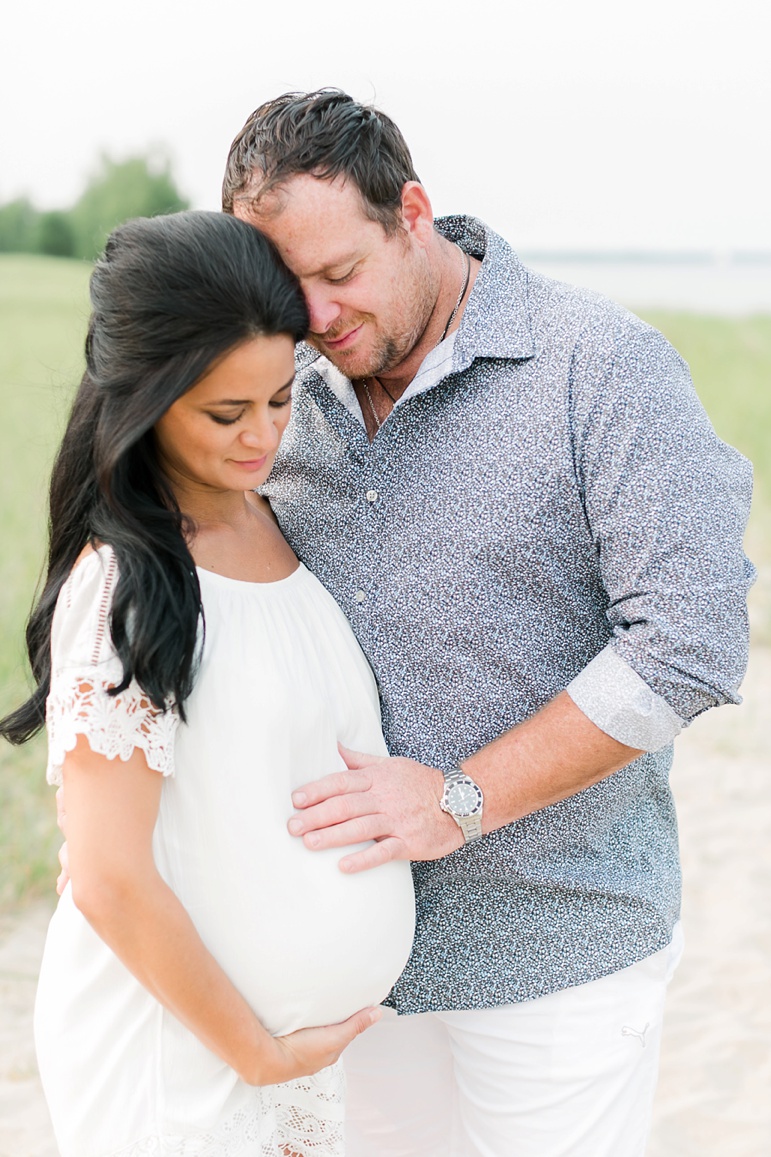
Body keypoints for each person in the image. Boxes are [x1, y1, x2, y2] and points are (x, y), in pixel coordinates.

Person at [220, 89, 755, 1156]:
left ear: (413, 211)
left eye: (340, 274)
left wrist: (460, 799)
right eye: (290, 290)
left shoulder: (603, 365)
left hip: (559, 944)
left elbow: (687, 641)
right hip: (350, 957)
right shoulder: (277, 391)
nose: (318, 318)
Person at [0, 210, 415, 1157]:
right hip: (180, 1059)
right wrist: (260, 1054)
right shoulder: (128, 589)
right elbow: (108, 878)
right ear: (142, 400)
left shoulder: (273, 515)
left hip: (287, 1060)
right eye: (226, 414)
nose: (262, 435)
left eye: (279, 399)